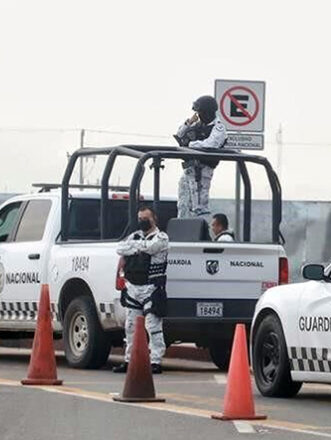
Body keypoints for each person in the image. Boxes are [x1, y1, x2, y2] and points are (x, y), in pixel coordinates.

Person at [113, 206, 169, 374]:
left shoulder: (162, 237)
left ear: (154, 219)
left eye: (146, 218)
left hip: (151, 287)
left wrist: (134, 248)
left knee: (152, 325)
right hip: (133, 288)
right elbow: (120, 248)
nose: (143, 222)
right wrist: (140, 246)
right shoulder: (134, 235)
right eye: (140, 219)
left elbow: (153, 248)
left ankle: (156, 361)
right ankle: (130, 360)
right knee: (130, 326)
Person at [175, 95, 228, 218]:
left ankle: (200, 233)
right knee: (183, 204)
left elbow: (211, 145)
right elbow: (180, 134)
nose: (198, 115)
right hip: (189, 168)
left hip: (203, 170)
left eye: (200, 112)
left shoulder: (218, 128)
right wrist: (189, 123)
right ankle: (182, 229)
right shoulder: (198, 125)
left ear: (207, 112)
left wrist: (190, 145)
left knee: (199, 207)